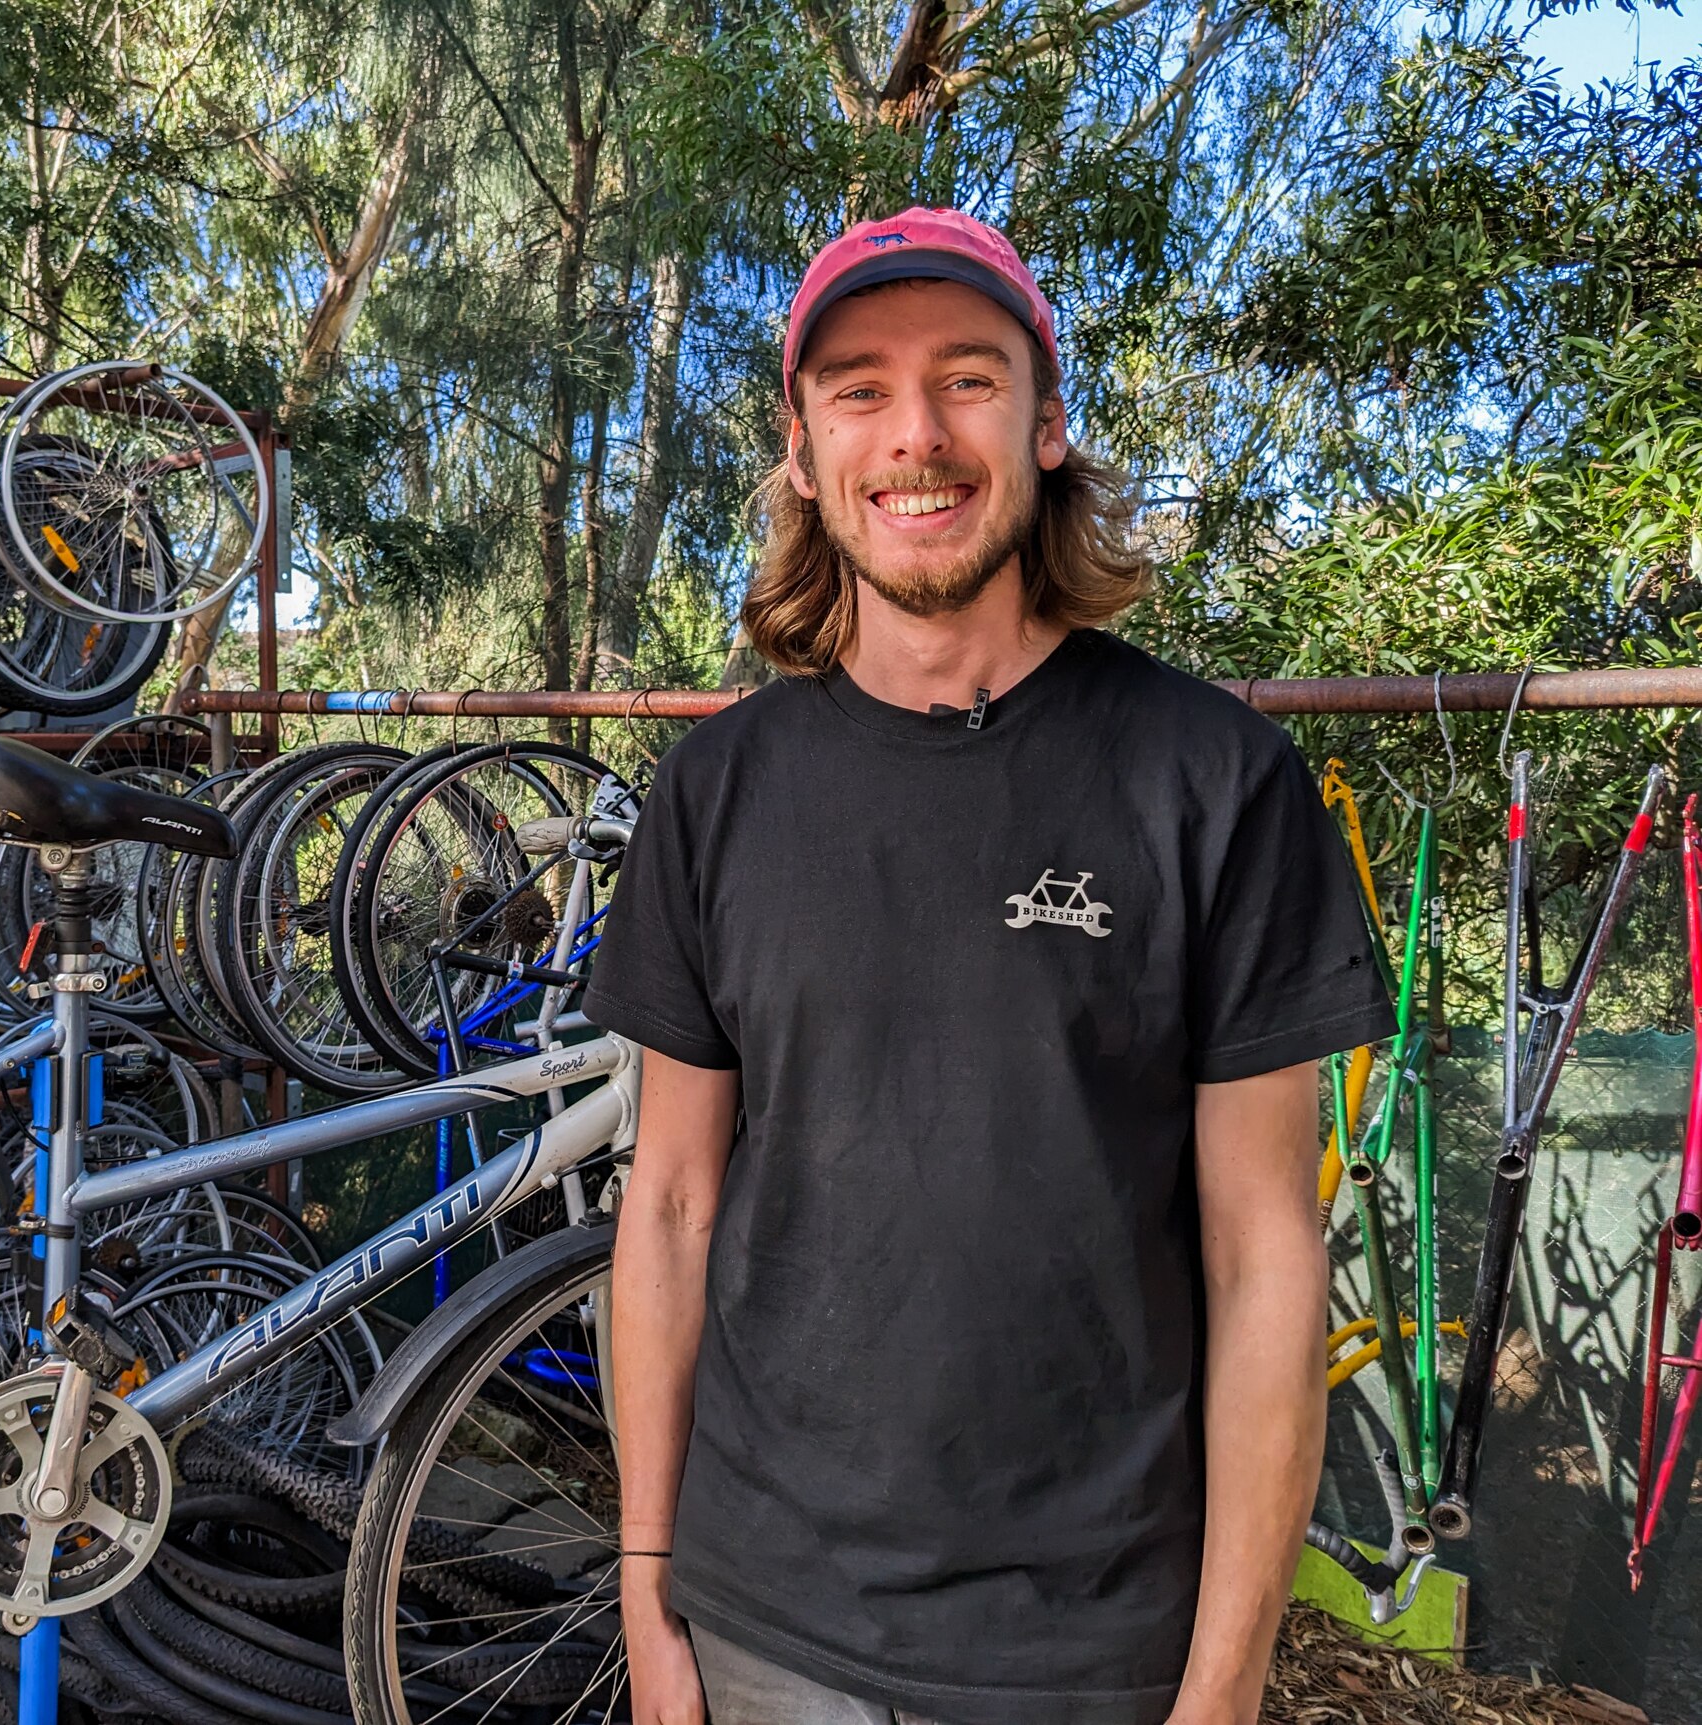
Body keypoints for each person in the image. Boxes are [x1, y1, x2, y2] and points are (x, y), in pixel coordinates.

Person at [581, 207, 1394, 1725]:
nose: (919, 435)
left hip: (1095, 1660)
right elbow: (676, 1203)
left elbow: (1267, 1252)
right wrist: (646, 1577)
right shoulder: (716, 796)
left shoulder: (1217, 781)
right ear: (807, 452)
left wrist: (1221, 1687)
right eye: (861, 391)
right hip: (764, 1628)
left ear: (1048, 420)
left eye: (969, 378)